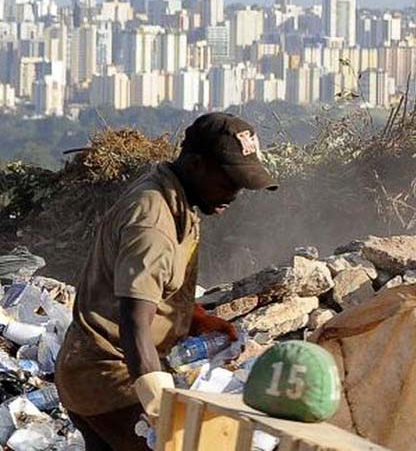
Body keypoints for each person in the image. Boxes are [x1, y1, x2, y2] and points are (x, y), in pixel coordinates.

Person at [55, 112, 277, 451]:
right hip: (110, 380)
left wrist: (197, 319)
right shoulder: (154, 221)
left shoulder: (175, 198)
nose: (234, 194)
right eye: (228, 180)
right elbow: (134, 322)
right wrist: (160, 408)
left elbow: (152, 289)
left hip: (88, 372)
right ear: (195, 165)